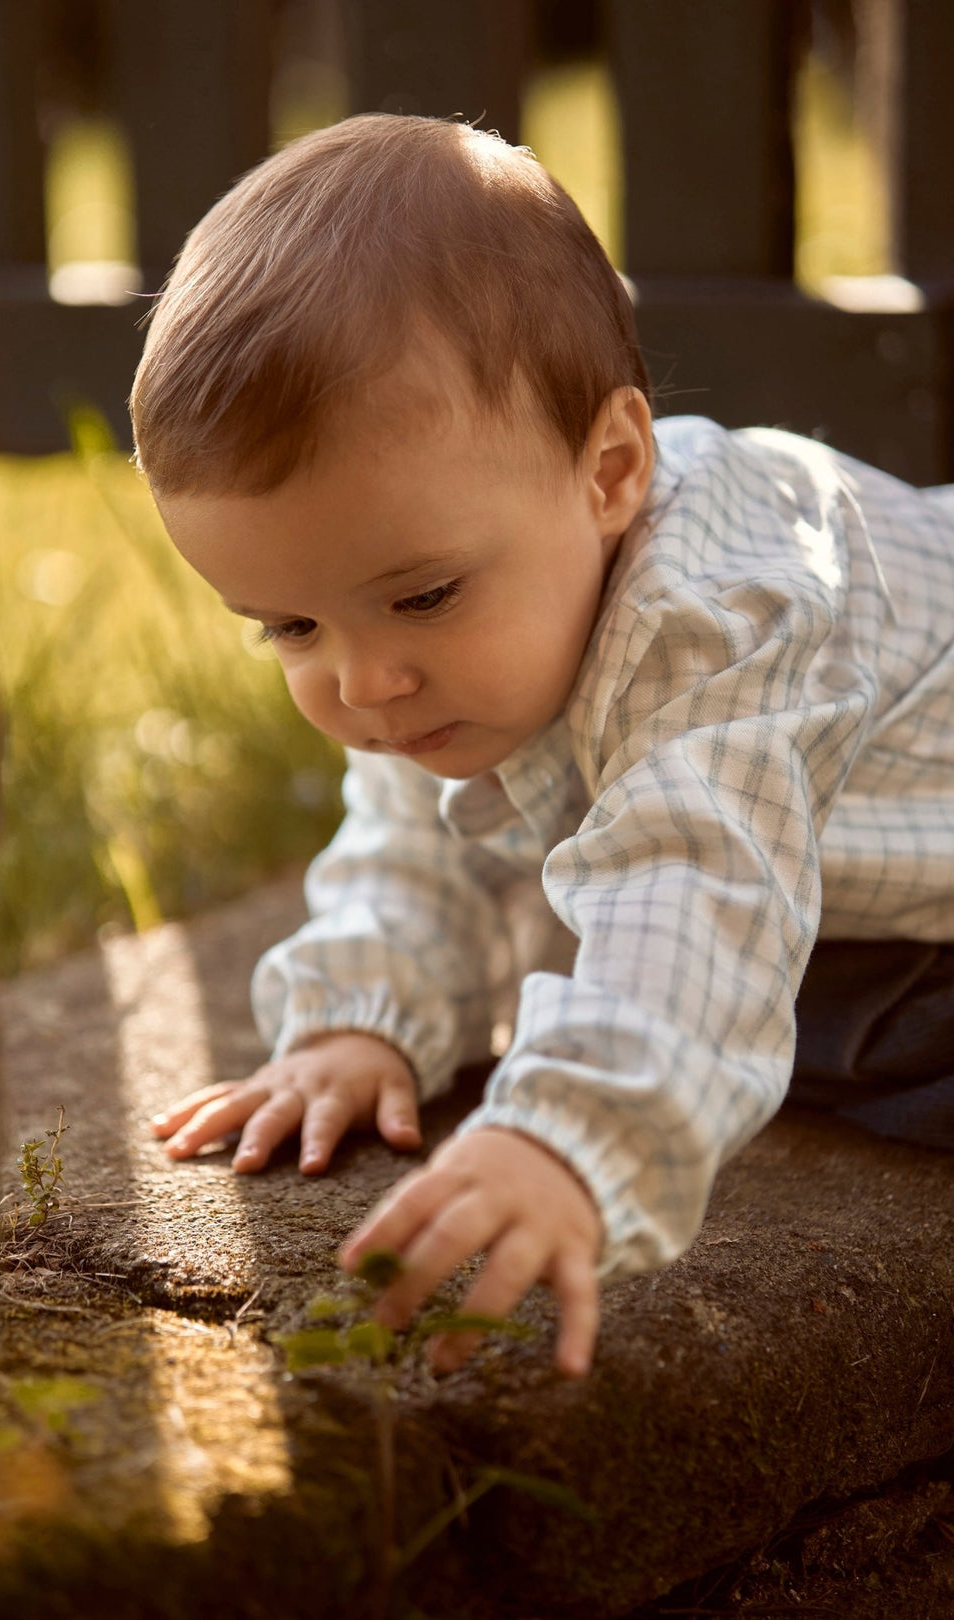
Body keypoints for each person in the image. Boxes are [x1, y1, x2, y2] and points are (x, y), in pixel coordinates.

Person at [131, 114, 954, 1380]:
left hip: (900, 897)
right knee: (758, 1019)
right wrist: (362, 1023)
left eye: (423, 597)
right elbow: (417, 844)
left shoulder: (728, 605)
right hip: (853, 915)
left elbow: (698, 879)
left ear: (611, 467)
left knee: (783, 1019)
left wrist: (570, 1137)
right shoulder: (416, 660)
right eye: (289, 626)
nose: (365, 680)